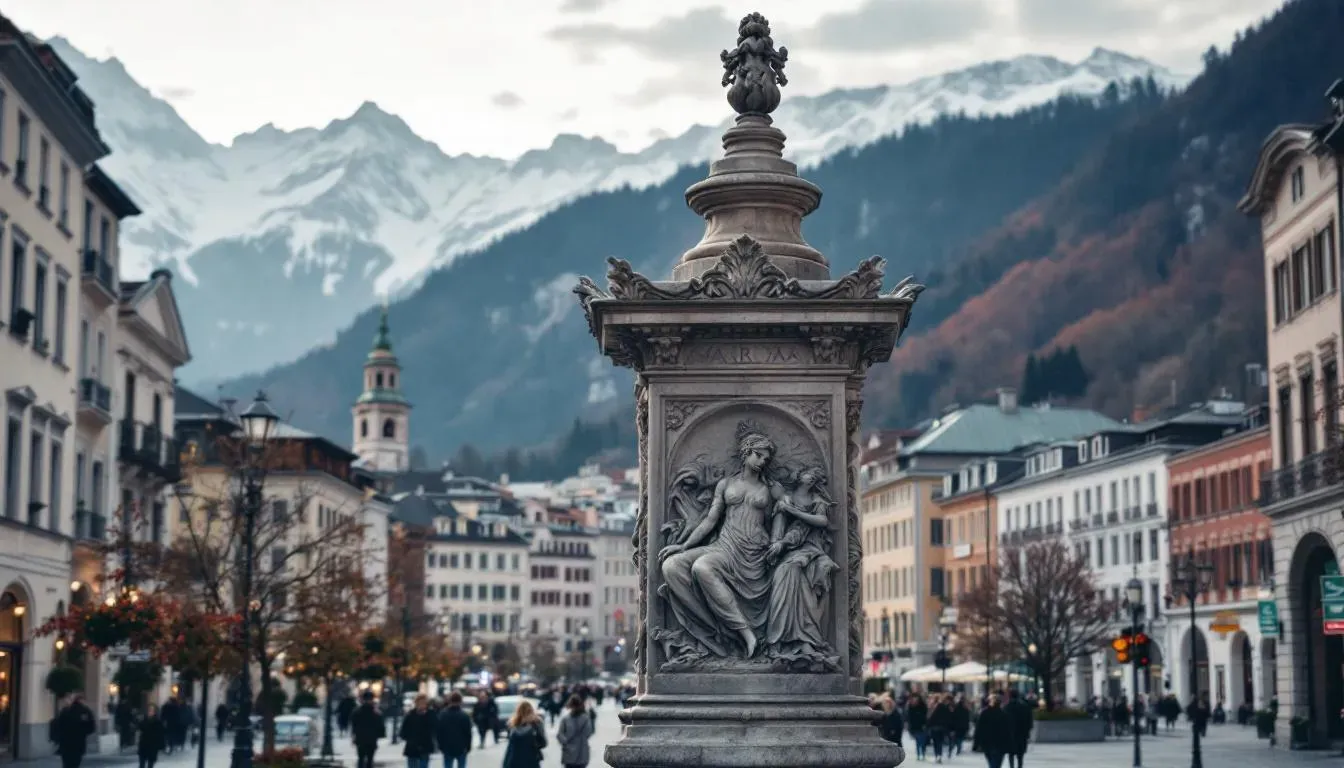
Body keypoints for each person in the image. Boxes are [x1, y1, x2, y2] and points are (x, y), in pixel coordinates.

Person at [52, 694, 97, 768]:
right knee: (76, 762)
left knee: (66, 763)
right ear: (83, 701)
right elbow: (91, 727)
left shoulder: (66, 710)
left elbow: (59, 725)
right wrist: (83, 733)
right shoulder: (86, 711)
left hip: (65, 742)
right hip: (79, 742)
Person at [971, 694, 1014, 768]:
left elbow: (979, 729)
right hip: (1000, 744)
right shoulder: (1004, 714)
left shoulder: (984, 713)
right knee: (997, 763)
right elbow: (1008, 731)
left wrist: (976, 744)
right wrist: (1010, 744)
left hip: (987, 743)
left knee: (992, 762)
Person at [501, 700, 547, 768]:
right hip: (531, 759)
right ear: (531, 710)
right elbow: (543, 743)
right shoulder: (536, 723)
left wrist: (505, 763)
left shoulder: (513, 724)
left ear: (518, 711)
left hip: (514, 760)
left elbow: (510, 747)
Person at [434, 692, 473, 768]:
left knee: (448, 765)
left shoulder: (443, 715)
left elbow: (439, 732)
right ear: (460, 701)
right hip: (461, 747)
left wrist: (440, 746)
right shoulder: (464, 716)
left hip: (447, 747)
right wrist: (468, 746)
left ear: (450, 701)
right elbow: (468, 733)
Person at [557, 694, 594, 768]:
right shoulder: (585, 718)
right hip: (582, 751)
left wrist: (566, 742)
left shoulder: (566, 719)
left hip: (569, 752)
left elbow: (560, 734)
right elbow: (589, 732)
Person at [351, 691, 386, 768]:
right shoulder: (376, 713)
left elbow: (354, 726)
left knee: (361, 759)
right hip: (371, 739)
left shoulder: (357, 712)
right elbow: (380, 727)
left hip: (361, 739)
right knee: (369, 760)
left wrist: (354, 736)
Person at [400, 694, 436, 768]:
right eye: (420, 703)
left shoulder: (430, 714)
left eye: (424, 703)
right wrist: (409, 739)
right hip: (412, 747)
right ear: (416, 703)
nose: (422, 705)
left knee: (423, 765)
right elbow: (403, 731)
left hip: (425, 746)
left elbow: (434, 728)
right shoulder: (410, 714)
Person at [1004, 690, 1033, 768]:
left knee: (1011, 754)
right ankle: (1020, 766)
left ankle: (1012, 766)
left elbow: (1003, 722)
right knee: (1020, 754)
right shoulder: (1024, 706)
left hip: (1010, 734)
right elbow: (1029, 721)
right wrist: (1028, 732)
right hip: (1022, 734)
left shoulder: (1007, 707)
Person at [927, 693, 952, 764]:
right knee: (939, 742)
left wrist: (928, 726)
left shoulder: (933, 707)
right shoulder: (944, 706)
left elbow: (930, 718)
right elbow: (948, 717)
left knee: (936, 742)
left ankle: (937, 755)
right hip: (941, 727)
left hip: (935, 727)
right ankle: (939, 755)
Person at [906, 693, 929, 761]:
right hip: (915, 727)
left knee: (922, 741)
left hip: (922, 726)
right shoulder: (910, 706)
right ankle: (919, 754)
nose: (915, 699)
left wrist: (925, 724)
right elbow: (909, 717)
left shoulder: (923, 706)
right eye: (914, 698)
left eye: (916, 698)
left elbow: (925, 716)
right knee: (918, 741)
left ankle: (923, 754)